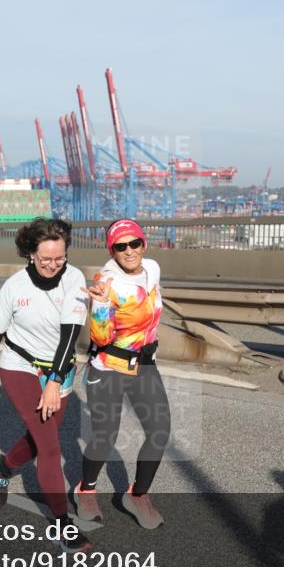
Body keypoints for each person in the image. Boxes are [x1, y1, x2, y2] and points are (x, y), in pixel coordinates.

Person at [0, 217, 92, 552]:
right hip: (20, 367)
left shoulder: (74, 278)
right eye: (46, 259)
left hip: (60, 368)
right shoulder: (14, 288)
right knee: (50, 448)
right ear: (30, 254)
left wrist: (55, 381)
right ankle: (61, 525)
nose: (54, 265)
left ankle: (3, 466)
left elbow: (70, 334)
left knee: (39, 438)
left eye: (60, 257)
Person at [74, 219, 170, 530]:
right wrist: (99, 305)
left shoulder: (152, 269)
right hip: (109, 367)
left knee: (159, 432)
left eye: (134, 243)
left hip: (145, 365)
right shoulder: (107, 283)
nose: (129, 251)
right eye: (120, 246)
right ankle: (85, 489)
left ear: (144, 244)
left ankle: (137, 495)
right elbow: (100, 338)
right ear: (112, 250)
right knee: (106, 437)